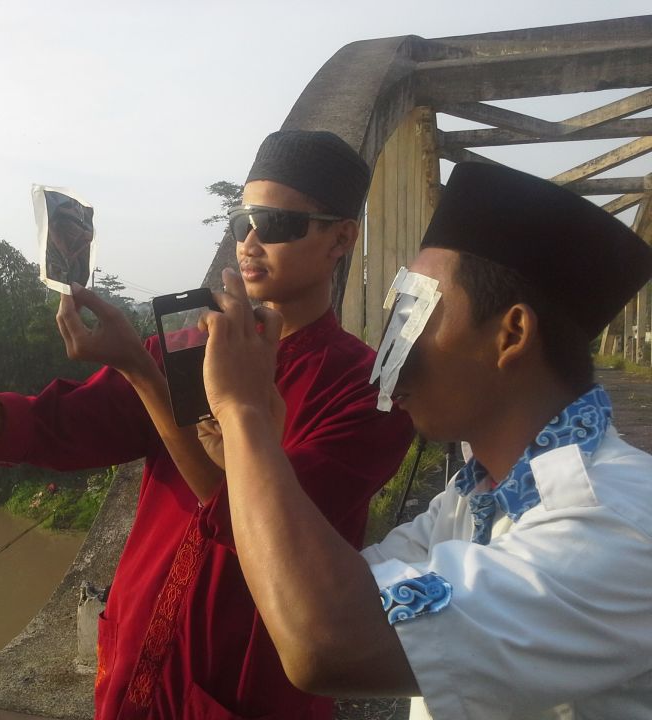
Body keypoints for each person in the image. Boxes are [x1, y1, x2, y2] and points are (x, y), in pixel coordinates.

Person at [0, 129, 413, 719]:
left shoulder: (365, 394)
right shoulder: (188, 343)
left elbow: (259, 527)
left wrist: (143, 373)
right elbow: (44, 425)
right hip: (135, 668)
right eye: (243, 220)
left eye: (277, 224)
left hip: (244, 691)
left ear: (342, 237)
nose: (248, 241)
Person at [200, 161, 652, 719]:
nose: (394, 357)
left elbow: (330, 640)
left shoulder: (614, 523)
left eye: (416, 313)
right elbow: (326, 591)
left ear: (511, 335)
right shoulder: (468, 500)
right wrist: (260, 443)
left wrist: (242, 413)